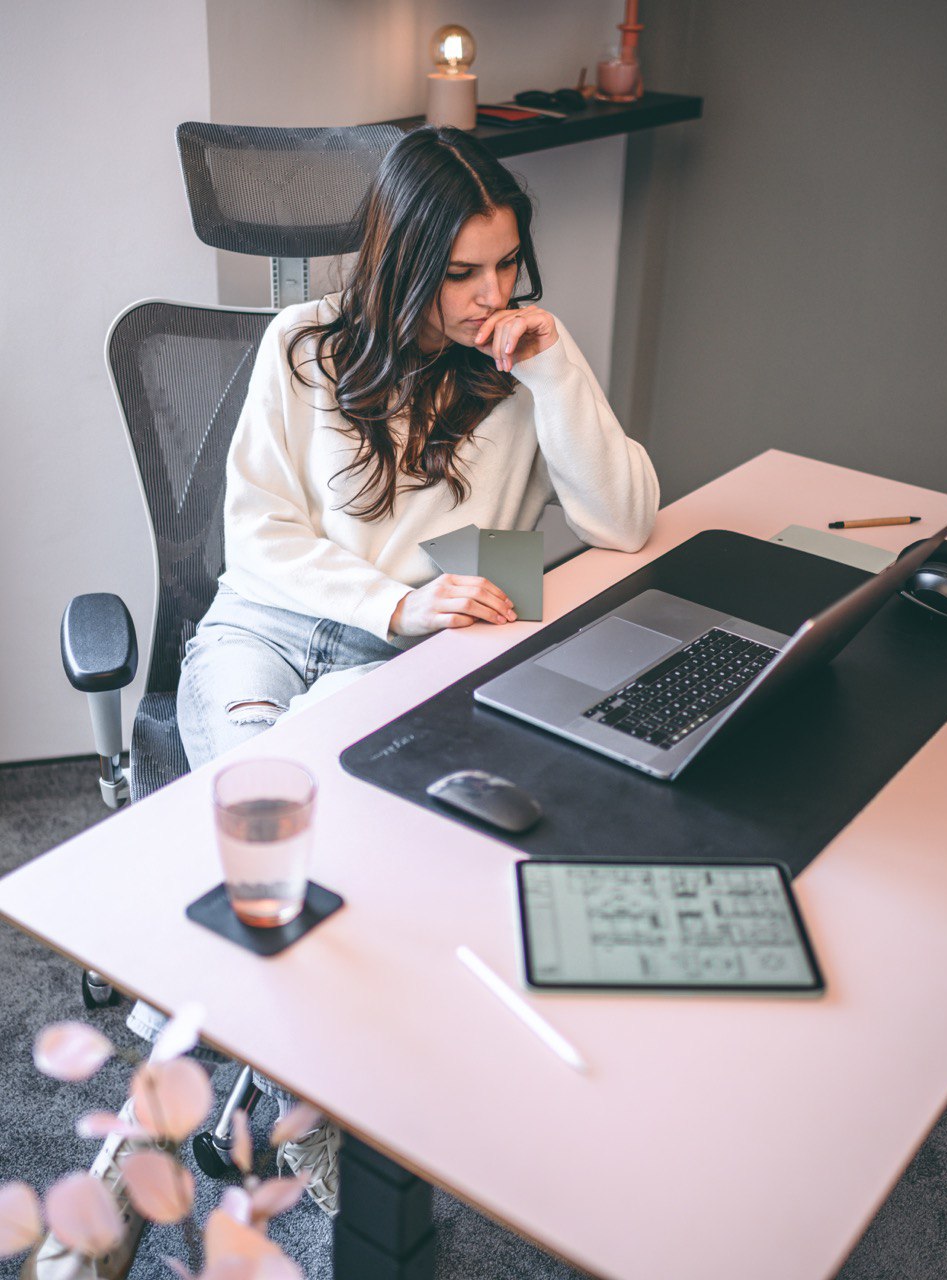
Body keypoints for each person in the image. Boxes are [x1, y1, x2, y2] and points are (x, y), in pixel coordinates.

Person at [28, 124, 659, 1278]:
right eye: (460, 272)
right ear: (402, 260)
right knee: (271, 822)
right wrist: (395, 602)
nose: (489, 295)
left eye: (506, 264)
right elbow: (254, 541)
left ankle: (156, 1134)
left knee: (305, 861)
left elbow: (624, 519)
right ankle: (295, 1098)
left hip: (394, 670)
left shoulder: (520, 370)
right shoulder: (303, 345)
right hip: (268, 629)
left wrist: (558, 364)